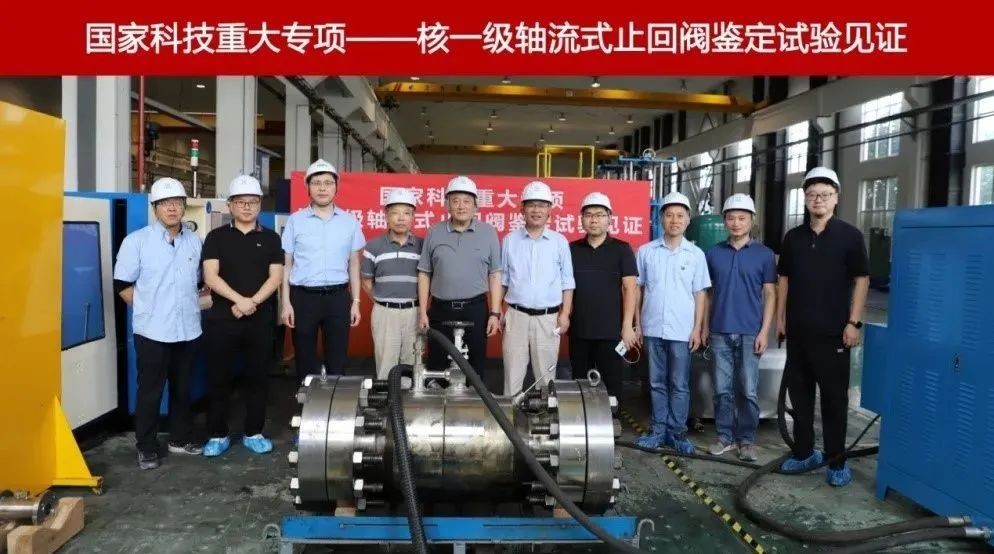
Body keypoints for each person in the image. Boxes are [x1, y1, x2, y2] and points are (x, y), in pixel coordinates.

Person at [776, 166, 869, 487]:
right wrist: (781, 318)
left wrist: (853, 322)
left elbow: (861, 279)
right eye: (813, 194)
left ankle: (835, 461)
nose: (819, 200)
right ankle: (804, 452)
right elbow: (784, 279)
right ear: (805, 198)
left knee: (834, 400)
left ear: (836, 198)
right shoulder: (793, 238)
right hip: (798, 333)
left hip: (834, 334)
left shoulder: (850, 236)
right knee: (800, 397)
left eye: (825, 195)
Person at [113, 177, 204, 469]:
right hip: (152, 332)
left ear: (184, 207)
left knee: (182, 388)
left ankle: (180, 438)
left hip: (188, 330)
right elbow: (122, 284)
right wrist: (147, 310)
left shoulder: (194, 241)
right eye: (165, 204)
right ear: (155, 208)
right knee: (150, 391)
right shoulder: (137, 242)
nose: (172, 208)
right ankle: (147, 446)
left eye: (177, 203)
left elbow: (199, 281)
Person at [200, 175, 284, 457]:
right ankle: (217, 435)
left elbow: (276, 277)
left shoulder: (271, 238)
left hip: (259, 320)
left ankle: (253, 432)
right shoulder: (216, 237)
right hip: (222, 320)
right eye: (241, 202)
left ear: (260, 204)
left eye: (253, 202)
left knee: (257, 379)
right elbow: (210, 276)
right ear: (230, 205)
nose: (247, 207)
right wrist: (240, 300)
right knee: (218, 378)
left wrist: (253, 302)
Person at [634, 191, 711, 454]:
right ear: (661, 219)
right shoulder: (646, 252)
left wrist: (697, 328)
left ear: (688, 220)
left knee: (679, 384)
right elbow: (638, 290)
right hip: (653, 327)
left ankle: (677, 432)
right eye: (669, 215)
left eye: (680, 216)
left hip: (682, 330)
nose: (674, 220)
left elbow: (700, 294)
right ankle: (658, 430)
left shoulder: (696, 254)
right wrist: (637, 324)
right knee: (656, 382)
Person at [702, 194, 776, 462]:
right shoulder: (712, 253)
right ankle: (724, 436)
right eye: (731, 218)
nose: (736, 223)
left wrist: (764, 331)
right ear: (724, 221)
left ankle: (746, 440)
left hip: (749, 332)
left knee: (748, 389)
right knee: (722, 389)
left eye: (742, 218)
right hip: (719, 330)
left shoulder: (764, 255)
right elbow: (707, 294)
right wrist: (704, 327)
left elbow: (770, 293)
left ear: (751, 220)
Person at [281, 159, 365, 380]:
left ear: (336, 187)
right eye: (316, 183)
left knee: (337, 359)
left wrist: (356, 302)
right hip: (303, 298)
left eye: (328, 183)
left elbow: (354, 264)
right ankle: (305, 399)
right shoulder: (295, 221)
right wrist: (286, 303)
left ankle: (334, 400)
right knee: (304, 358)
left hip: (338, 298)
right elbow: (286, 266)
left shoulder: (349, 222)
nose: (322, 188)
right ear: (307, 188)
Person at [417, 176, 502, 379]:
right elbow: (424, 273)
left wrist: (494, 313)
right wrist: (422, 311)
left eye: (466, 201)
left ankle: (473, 399)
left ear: (475, 206)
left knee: (474, 367)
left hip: (475, 309)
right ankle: (439, 399)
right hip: (441, 309)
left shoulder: (488, 233)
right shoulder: (434, 232)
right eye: (455, 201)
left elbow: (495, 274)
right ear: (447, 204)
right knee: (437, 365)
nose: (461, 206)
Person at [500, 181, 576, 395]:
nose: (536, 210)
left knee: (546, 378)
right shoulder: (509, 240)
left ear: (550, 209)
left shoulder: (559, 242)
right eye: (531, 205)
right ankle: (509, 416)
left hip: (548, 319)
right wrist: (498, 311)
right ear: (522, 209)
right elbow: (503, 279)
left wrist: (565, 314)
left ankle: (545, 415)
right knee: (512, 376)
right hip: (516, 316)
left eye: (542, 205)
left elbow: (567, 282)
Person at [568, 192, 639, 400]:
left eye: (599, 214)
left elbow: (630, 288)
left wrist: (627, 326)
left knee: (612, 382)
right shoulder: (571, 249)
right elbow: (564, 288)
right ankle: (582, 418)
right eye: (589, 215)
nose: (594, 220)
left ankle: (613, 418)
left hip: (611, 331)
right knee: (579, 381)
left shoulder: (622, 249)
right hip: (580, 330)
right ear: (582, 219)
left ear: (609, 218)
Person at [361, 188, 423, 379]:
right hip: (385, 313)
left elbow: (429, 280)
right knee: (386, 365)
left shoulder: (423, 246)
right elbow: (366, 281)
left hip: (415, 312)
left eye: (406, 213)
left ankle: (408, 399)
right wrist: (384, 302)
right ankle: (387, 398)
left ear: (413, 216)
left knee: (412, 364)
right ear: (386, 215)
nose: (401, 218)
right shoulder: (373, 246)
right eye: (395, 212)